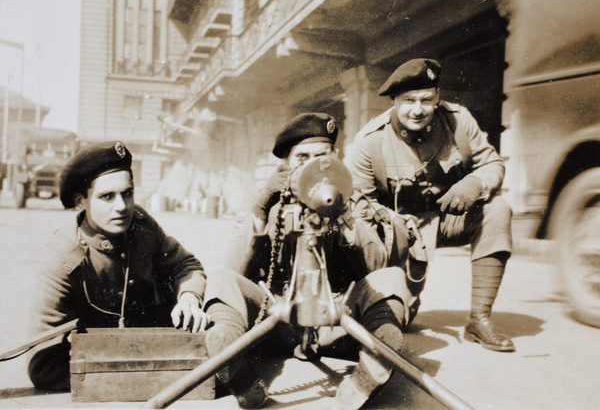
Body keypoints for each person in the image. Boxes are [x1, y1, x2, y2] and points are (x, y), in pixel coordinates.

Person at [203, 113, 422, 409]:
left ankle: (371, 366)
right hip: (276, 318)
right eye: (302, 157)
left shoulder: (351, 197)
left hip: (337, 323)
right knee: (220, 280)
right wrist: (261, 208)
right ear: (287, 163)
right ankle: (236, 369)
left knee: (393, 279)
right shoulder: (268, 198)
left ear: (333, 158)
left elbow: (377, 267)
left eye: (321, 157)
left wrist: (344, 216)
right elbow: (234, 270)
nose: (310, 165)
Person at [348, 58, 515, 353]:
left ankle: (479, 319)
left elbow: (492, 164)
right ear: (394, 101)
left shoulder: (458, 121)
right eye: (408, 100)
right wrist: (389, 221)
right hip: (397, 233)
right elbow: (358, 202)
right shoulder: (369, 141)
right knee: (400, 320)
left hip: (450, 217)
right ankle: (402, 296)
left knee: (497, 210)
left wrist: (473, 185)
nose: (418, 109)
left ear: (437, 98)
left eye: (426, 99)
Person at [28, 141, 209, 391]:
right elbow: (42, 364)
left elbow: (186, 264)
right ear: (81, 201)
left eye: (127, 193)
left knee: (217, 299)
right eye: (107, 197)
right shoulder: (62, 258)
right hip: (98, 355)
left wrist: (189, 297)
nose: (122, 207)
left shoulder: (141, 223)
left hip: (150, 330)